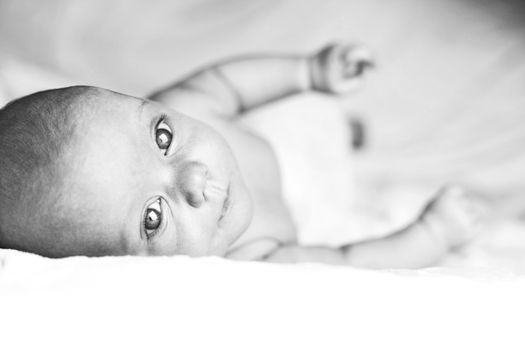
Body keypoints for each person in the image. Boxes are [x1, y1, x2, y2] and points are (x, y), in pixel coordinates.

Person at [0, 43, 482, 268]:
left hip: (285, 132)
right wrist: (431, 233)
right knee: (337, 158)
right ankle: (345, 140)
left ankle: (341, 125)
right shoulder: (249, 257)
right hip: (325, 184)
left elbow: (224, 85)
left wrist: (309, 72)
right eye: (152, 218)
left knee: (314, 116)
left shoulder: (186, 107)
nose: (192, 178)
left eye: (163, 138)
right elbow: (348, 259)